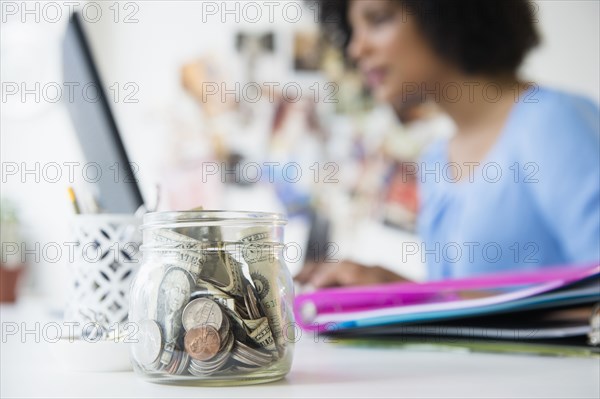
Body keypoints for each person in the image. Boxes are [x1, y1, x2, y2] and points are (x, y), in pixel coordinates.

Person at [296, 0, 600, 287]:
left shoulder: (551, 122)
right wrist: (394, 291)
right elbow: (469, 315)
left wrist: (415, 298)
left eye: (378, 20)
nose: (356, 49)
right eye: (353, 31)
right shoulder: (437, 158)